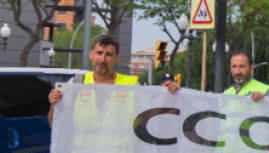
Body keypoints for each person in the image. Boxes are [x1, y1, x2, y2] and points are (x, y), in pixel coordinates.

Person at [47, 34, 180, 127]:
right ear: (90, 55)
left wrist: (167, 95)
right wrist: (54, 105)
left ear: (117, 59)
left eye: (109, 54)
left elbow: (149, 117)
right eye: (99, 53)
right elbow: (56, 125)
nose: (103, 59)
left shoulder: (131, 85)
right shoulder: (76, 83)